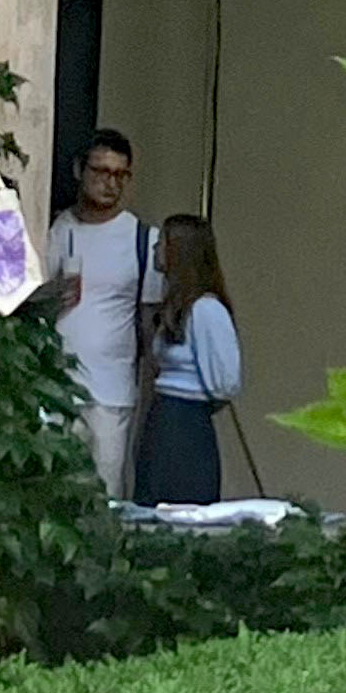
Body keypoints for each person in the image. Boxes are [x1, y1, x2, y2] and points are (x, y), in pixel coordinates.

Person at [48, 127, 155, 497]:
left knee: (106, 493)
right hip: (56, 387)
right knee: (53, 490)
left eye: (119, 175)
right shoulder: (57, 229)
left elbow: (149, 320)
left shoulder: (142, 239)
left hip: (112, 391)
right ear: (80, 171)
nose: (110, 183)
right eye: (101, 172)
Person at [136, 214, 243, 505]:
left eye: (162, 244)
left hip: (187, 423)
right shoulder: (175, 308)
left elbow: (225, 382)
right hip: (164, 416)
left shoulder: (206, 310)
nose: (156, 251)